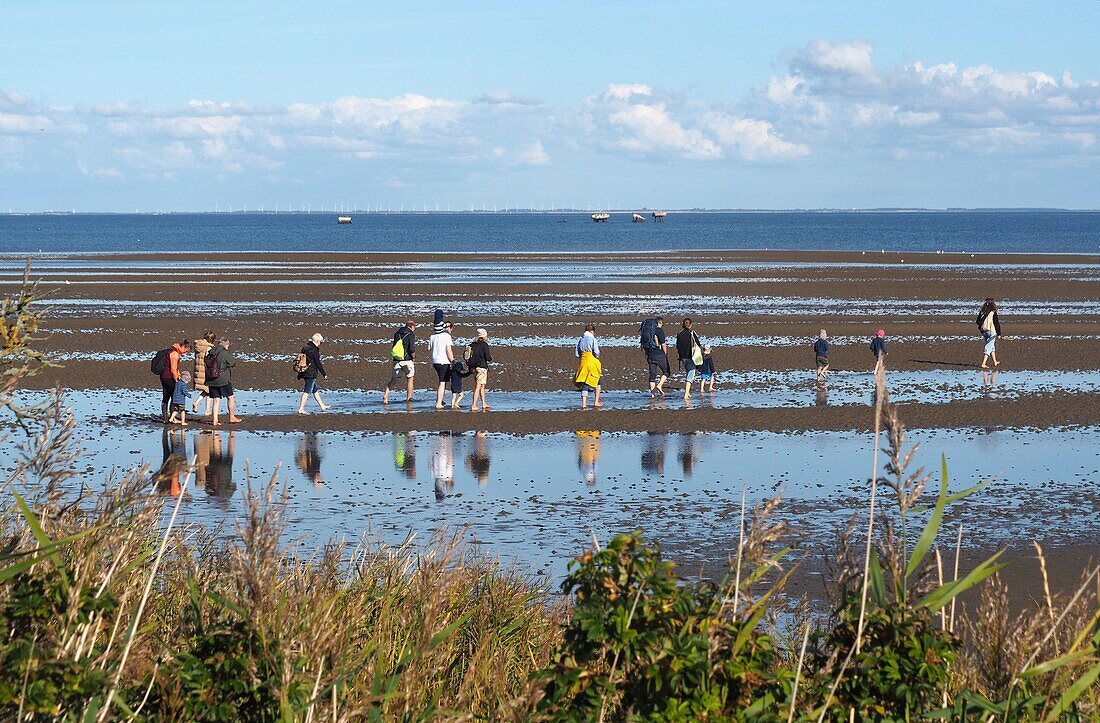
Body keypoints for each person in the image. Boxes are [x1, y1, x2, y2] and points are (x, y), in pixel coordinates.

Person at [206, 337, 242, 427]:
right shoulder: (225, 353)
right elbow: (233, 363)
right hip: (223, 379)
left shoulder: (211, 352)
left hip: (211, 378)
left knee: (216, 400)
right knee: (230, 397)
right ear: (226, 345)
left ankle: (215, 420)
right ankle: (232, 417)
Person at [383, 320, 416, 404]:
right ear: (412, 326)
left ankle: (386, 395)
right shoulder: (410, 334)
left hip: (397, 359)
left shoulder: (396, 334)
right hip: (407, 360)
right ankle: (409, 398)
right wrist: (414, 357)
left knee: (394, 379)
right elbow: (411, 349)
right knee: (410, 378)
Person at [158, 338, 192, 422]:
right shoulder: (175, 354)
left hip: (164, 376)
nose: (185, 353)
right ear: (183, 347)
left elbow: (175, 368)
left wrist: (179, 375)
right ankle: (171, 418)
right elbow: (173, 369)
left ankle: (166, 417)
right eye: (186, 351)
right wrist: (177, 380)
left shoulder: (172, 350)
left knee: (166, 396)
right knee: (174, 397)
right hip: (169, 377)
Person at [297, 333, 330, 415]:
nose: (321, 344)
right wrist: (324, 374)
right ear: (317, 341)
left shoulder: (305, 347)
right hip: (310, 373)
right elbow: (318, 363)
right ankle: (301, 409)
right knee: (307, 391)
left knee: (315, 390)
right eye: (321, 342)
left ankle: (322, 406)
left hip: (303, 371)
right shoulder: (314, 350)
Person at [574, 322, 603, 409]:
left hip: (583, 361)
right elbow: (597, 352)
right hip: (591, 360)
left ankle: (584, 405)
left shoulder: (581, 340)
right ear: (592, 331)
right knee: (598, 379)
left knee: (585, 383)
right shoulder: (593, 339)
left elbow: (576, 354)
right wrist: (595, 357)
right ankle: (596, 401)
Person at [428, 318, 455, 409]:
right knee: (442, 382)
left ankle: (440, 399)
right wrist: (453, 361)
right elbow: (448, 350)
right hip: (443, 361)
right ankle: (438, 403)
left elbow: (429, 348)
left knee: (442, 381)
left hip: (435, 361)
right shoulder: (446, 336)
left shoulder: (432, 336)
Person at [640, 316, 669, 397]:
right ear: (660, 323)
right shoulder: (659, 330)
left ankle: (652, 394)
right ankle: (659, 385)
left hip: (649, 354)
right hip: (659, 354)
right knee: (666, 371)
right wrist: (665, 354)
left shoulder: (647, 330)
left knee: (652, 374)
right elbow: (663, 344)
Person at [675, 318, 702, 401]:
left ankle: (688, 392)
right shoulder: (692, 333)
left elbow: (677, 346)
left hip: (683, 357)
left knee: (688, 372)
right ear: (690, 325)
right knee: (691, 373)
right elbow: (698, 344)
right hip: (691, 357)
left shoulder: (679, 333)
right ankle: (686, 393)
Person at [191, 331, 216, 416]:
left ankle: (204, 407)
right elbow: (209, 360)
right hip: (205, 371)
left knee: (208, 390)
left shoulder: (198, 345)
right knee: (210, 389)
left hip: (198, 370)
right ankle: (204, 408)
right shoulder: (208, 348)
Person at [468, 327, 493, 412]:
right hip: (482, 368)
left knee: (481, 386)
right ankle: (474, 405)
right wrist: (490, 358)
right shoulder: (484, 345)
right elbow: (488, 358)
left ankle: (484, 403)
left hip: (474, 368)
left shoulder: (472, 344)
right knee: (479, 386)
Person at [977, 298, 1003, 369]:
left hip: (984, 331)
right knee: (988, 347)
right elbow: (996, 323)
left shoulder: (982, 311)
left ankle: (995, 361)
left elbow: (977, 321)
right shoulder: (993, 312)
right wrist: (999, 334)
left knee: (991, 346)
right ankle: (983, 363)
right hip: (991, 331)